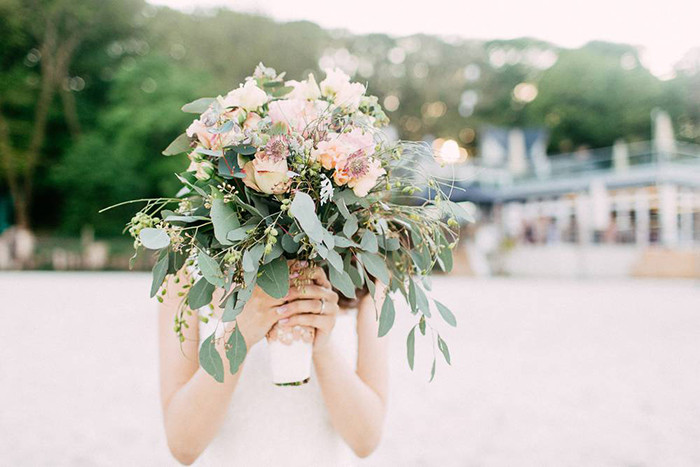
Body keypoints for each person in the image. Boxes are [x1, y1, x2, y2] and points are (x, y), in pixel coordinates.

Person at [158, 263, 388, 465]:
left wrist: (320, 340)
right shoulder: (186, 264)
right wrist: (240, 334)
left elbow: (365, 441)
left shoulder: (366, 267)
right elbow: (182, 446)